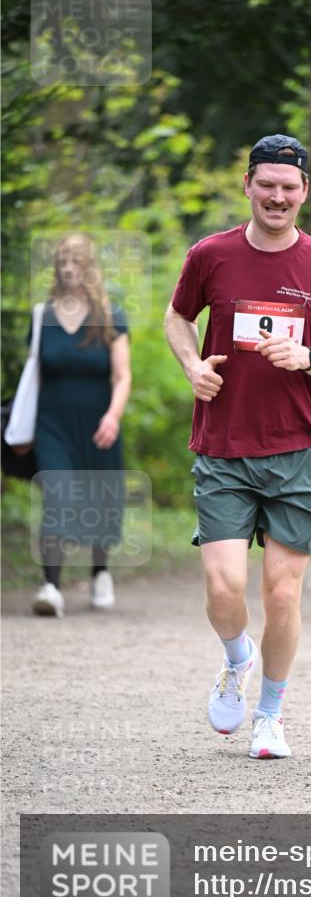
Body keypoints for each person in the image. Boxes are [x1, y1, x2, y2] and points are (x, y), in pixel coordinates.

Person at [165, 133, 311, 760]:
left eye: (289, 187)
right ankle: (235, 659)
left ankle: (270, 715)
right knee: (223, 588)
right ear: (247, 185)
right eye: (266, 184)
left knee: (282, 591)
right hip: (223, 445)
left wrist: (307, 356)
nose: (277, 196)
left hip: (297, 448)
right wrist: (192, 365)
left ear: (305, 192)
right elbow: (176, 319)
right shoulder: (211, 255)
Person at [31, 233, 131, 618]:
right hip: (50, 421)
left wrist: (113, 416)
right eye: (63, 261)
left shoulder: (110, 315)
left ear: (89, 266)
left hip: (98, 420)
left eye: (76, 261)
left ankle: (100, 571)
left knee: (101, 497)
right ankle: (51, 586)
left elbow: (122, 376)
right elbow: (31, 376)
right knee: (57, 495)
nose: (69, 267)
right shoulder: (43, 315)